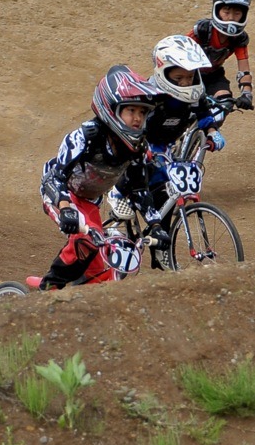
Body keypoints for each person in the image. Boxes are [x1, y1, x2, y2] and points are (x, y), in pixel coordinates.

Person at [30, 65, 170, 290]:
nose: (137, 118)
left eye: (142, 112)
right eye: (131, 110)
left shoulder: (137, 148)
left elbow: (139, 190)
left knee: (102, 267)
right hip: (60, 193)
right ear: (111, 109)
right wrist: (65, 208)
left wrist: (155, 224)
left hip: (88, 201)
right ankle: (47, 291)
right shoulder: (86, 136)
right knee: (84, 242)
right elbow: (54, 177)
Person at [108, 35, 226, 269]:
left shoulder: (195, 95)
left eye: (190, 77)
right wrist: (143, 150)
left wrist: (212, 132)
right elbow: (135, 124)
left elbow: (204, 116)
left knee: (168, 196)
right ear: (164, 72)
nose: (185, 83)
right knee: (142, 174)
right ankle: (118, 192)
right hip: (140, 143)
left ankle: (161, 249)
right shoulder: (151, 96)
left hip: (165, 147)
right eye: (179, 78)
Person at [186, 0, 255, 111]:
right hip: (190, 75)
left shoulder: (239, 39)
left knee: (225, 103)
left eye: (237, 13)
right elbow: (180, 52)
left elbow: (244, 70)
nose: (231, 18)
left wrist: (247, 94)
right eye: (226, 12)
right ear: (217, 10)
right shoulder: (202, 30)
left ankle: (211, 130)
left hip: (214, 76)